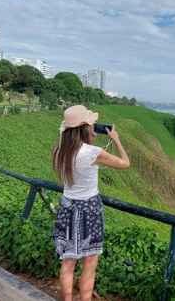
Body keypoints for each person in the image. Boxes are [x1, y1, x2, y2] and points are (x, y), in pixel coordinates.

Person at [52, 105, 130, 301]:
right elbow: (125, 163)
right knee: (89, 262)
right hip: (89, 210)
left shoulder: (58, 150)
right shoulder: (92, 153)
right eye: (92, 125)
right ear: (85, 127)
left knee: (68, 263)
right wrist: (116, 140)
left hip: (67, 207)